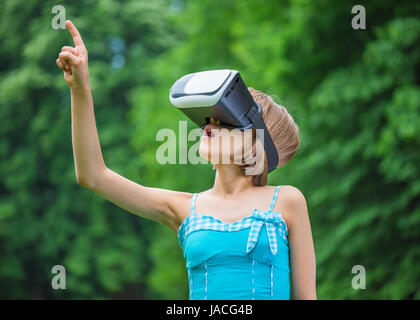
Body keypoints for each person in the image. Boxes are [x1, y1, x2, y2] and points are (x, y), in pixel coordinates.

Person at [56, 20, 316, 300]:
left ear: (257, 141)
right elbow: (93, 175)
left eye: (224, 120)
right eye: (209, 117)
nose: (208, 124)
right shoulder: (183, 209)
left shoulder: (287, 201)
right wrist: (80, 89)